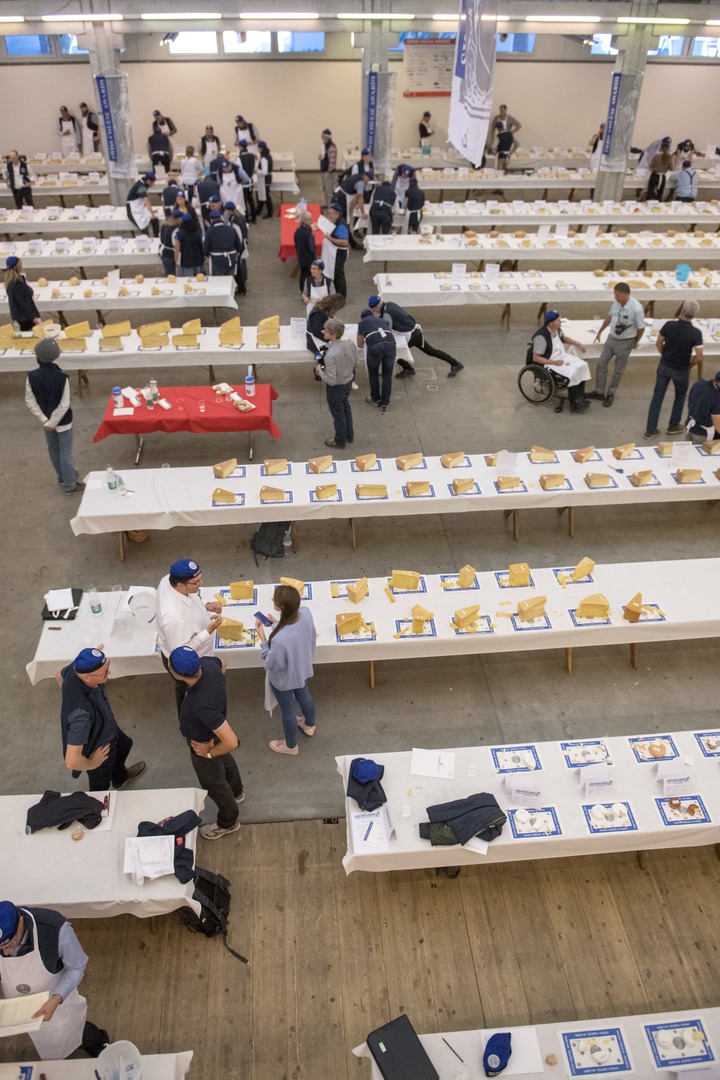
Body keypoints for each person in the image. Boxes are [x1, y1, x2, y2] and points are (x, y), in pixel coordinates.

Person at [0, 901, 109, 1059]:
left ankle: (99, 1042)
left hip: (57, 1001)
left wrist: (56, 999)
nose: (6, 952)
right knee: (44, 1038)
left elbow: (76, 967)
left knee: (76, 1032)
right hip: (21, 1008)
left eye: (10, 944)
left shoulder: (53, 928)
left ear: (21, 922)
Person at [168, 646, 244, 841]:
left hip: (203, 743)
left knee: (214, 784)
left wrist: (208, 753)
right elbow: (223, 663)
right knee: (226, 761)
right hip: (213, 734)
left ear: (177, 675)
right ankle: (237, 792)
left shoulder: (203, 704)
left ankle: (228, 822)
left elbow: (231, 742)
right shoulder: (208, 664)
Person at [57, 648, 146, 792]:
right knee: (100, 783)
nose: (108, 673)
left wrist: (69, 696)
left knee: (125, 744)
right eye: (104, 673)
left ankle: (120, 778)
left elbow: (58, 675)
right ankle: (98, 802)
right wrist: (93, 762)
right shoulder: (81, 716)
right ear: (87, 678)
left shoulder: (75, 669)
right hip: (100, 747)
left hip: (106, 726)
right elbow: (72, 761)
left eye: (107, 667)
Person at [255, 585, 317, 757]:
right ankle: (310, 725)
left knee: (288, 711)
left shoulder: (279, 640)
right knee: (304, 695)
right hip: (302, 669)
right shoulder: (305, 613)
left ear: (281, 606)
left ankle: (291, 746)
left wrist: (263, 639)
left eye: (274, 598)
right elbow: (297, 633)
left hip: (284, 680)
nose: (272, 600)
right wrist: (277, 624)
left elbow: (272, 663)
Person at [156, 559, 223, 714]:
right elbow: (181, 653)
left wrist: (206, 605)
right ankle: (190, 723)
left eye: (200, 578)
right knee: (192, 697)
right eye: (196, 583)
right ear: (180, 585)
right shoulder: (174, 618)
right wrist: (208, 631)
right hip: (192, 663)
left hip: (200, 654)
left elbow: (192, 598)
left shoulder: (168, 580)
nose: (201, 583)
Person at [25, 338, 85, 495]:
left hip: (46, 421)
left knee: (53, 450)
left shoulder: (31, 376)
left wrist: (45, 421)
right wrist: (53, 422)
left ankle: (62, 477)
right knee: (65, 453)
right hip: (63, 421)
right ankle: (70, 484)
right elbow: (64, 404)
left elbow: (30, 401)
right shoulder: (62, 377)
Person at [644, 300, 703, 438]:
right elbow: (699, 357)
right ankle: (673, 425)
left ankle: (650, 429)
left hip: (664, 366)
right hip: (681, 370)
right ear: (694, 315)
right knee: (680, 396)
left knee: (657, 397)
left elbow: (658, 342)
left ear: (682, 310)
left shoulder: (669, 325)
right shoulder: (696, 333)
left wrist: (664, 354)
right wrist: (690, 364)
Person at [368, 295, 464, 378]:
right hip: (416, 332)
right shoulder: (389, 304)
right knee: (431, 351)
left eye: (374, 310)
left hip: (412, 336)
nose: (374, 312)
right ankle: (455, 363)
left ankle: (408, 369)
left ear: (377, 308)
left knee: (394, 350)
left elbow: (386, 327)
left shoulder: (387, 314)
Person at [589, 283, 646, 406]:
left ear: (626, 294)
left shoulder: (636, 308)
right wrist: (600, 331)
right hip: (612, 338)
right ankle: (599, 391)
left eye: (617, 295)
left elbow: (641, 328)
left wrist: (634, 342)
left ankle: (611, 393)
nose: (615, 297)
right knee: (601, 363)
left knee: (618, 370)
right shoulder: (616, 303)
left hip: (626, 341)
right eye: (615, 295)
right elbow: (610, 317)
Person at [530, 310, 591, 412]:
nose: (561, 322)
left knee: (583, 365)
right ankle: (574, 401)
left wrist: (578, 343)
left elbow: (564, 338)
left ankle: (580, 396)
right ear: (551, 323)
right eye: (558, 320)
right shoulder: (541, 337)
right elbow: (536, 358)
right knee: (573, 370)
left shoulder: (557, 330)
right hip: (550, 362)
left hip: (562, 356)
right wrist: (554, 362)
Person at [316, 318, 357, 448]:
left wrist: (320, 372)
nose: (323, 332)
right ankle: (349, 435)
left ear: (333, 335)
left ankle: (339, 441)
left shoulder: (330, 356)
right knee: (346, 408)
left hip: (336, 388)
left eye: (326, 330)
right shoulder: (350, 344)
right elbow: (356, 363)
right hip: (348, 382)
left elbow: (332, 380)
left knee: (338, 415)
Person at [358, 306, 397, 412]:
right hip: (391, 345)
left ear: (362, 318)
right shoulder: (382, 320)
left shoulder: (362, 323)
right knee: (387, 375)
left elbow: (359, 344)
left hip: (375, 347)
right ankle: (385, 402)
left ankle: (375, 398)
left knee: (373, 373)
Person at [203, 208, 242, 277]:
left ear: (211, 220)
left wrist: (206, 256)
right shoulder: (231, 229)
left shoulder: (210, 232)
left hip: (217, 261)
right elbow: (238, 245)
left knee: (218, 281)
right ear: (220, 218)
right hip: (231, 258)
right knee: (229, 280)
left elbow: (206, 249)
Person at [5, 255, 40, 331]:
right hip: (25, 319)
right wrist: (33, 317)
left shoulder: (11, 281)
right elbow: (23, 303)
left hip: (22, 317)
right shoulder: (17, 284)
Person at [322, 204, 349, 298]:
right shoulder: (335, 221)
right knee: (335, 273)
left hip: (339, 253)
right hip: (334, 252)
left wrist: (330, 238)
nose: (329, 215)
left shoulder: (341, 225)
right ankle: (337, 293)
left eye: (331, 213)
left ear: (337, 213)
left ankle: (341, 296)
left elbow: (344, 242)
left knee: (338, 274)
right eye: (328, 213)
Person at [306, 291, 345, 358]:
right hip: (314, 342)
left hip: (324, 337)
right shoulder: (318, 313)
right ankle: (320, 363)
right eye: (337, 309)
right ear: (334, 306)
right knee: (323, 359)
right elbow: (316, 332)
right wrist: (329, 338)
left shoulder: (325, 309)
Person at [685, 371, 720, 443]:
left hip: (690, 426)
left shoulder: (699, 383)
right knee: (701, 449)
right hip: (701, 435)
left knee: (689, 449)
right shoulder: (717, 397)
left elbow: (690, 400)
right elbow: (717, 423)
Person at [223, 201, 249, 294]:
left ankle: (242, 288)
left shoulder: (235, 221)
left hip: (239, 248)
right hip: (242, 245)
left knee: (238, 269)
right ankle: (242, 285)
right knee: (241, 266)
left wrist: (239, 250)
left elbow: (239, 236)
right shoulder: (240, 216)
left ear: (229, 211)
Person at [126, 172, 159, 236]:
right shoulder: (141, 186)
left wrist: (151, 212)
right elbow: (146, 200)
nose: (153, 184)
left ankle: (156, 237)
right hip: (133, 210)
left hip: (140, 207)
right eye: (153, 183)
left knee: (155, 220)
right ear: (149, 181)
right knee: (144, 228)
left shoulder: (143, 183)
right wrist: (153, 214)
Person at [174, 211, 205, 277]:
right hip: (198, 259)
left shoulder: (179, 234)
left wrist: (176, 260)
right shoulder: (197, 232)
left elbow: (177, 248)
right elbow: (201, 245)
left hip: (186, 261)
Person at [294, 210, 317, 293]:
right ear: (306, 220)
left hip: (301, 256)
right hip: (308, 258)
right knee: (308, 275)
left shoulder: (298, 231)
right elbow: (312, 248)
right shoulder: (308, 233)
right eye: (310, 219)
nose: (311, 221)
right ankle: (307, 291)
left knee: (303, 273)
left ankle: (302, 289)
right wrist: (314, 257)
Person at [645, 137, 673, 201]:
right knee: (660, 194)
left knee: (650, 191)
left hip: (654, 175)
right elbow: (671, 168)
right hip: (662, 176)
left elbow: (650, 166)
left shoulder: (656, 156)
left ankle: (647, 203)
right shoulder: (669, 157)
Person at [236, 139, 257, 223]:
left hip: (244, 182)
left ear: (241, 147)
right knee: (250, 199)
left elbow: (240, 171)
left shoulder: (239, 158)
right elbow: (254, 167)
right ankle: (254, 217)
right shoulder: (252, 156)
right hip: (251, 180)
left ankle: (246, 218)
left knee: (244, 200)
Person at [159, 208, 181, 277]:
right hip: (170, 254)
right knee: (173, 275)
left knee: (167, 274)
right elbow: (175, 244)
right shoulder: (175, 229)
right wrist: (176, 259)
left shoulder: (164, 224)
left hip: (162, 252)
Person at [319, 128, 337, 208]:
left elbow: (332, 160)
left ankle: (330, 207)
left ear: (327, 137)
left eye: (323, 136)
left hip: (328, 172)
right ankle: (327, 204)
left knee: (329, 191)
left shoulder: (331, 146)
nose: (322, 138)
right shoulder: (324, 146)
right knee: (325, 189)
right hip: (324, 170)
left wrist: (329, 171)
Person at [256, 141, 274, 218]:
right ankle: (258, 210)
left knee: (266, 196)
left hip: (264, 179)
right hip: (267, 178)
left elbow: (264, 171)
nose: (258, 149)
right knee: (263, 194)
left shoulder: (264, 158)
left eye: (258, 148)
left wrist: (256, 170)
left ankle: (270, 212)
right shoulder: (267, 155)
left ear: (261, 148)